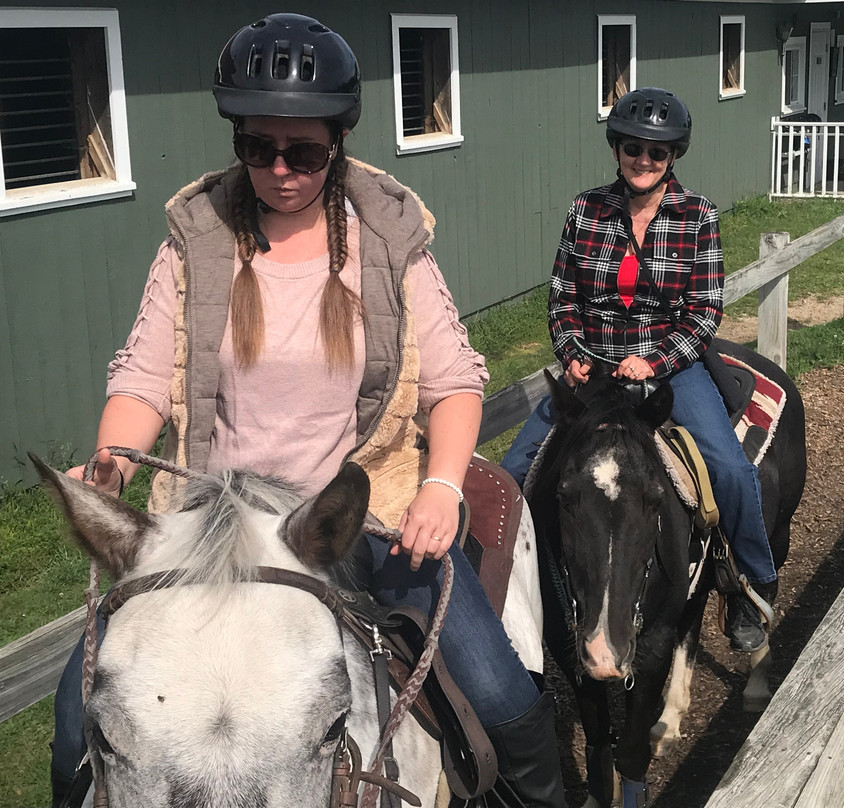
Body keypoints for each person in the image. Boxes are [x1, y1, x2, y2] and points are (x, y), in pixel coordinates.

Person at [49, 13, 567, 808]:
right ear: (239, 143)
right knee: (78, 721)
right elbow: (144, 377)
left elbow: (456, 381)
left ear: (338, 144)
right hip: (214, 525)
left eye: (305, 152)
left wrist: (443, 487)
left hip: (361, 515)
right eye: (261, 149)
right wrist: (116, 454)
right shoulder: (195, 243)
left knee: (502, 697)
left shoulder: (389, 244)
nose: (281, 170)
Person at [500, 87, 778, 654]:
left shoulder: (697, 215)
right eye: (633, 148)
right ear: (617, 150)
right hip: (595, 372)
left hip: (670, 368)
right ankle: (516, 594)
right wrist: (572, 352)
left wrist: (654, 360)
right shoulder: (587, 210)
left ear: (674, 155)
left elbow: (704, 311)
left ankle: (751, 584)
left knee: (727, 467)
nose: (643, 160)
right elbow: (562, 296)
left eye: (657, 152)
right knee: (514, 471)